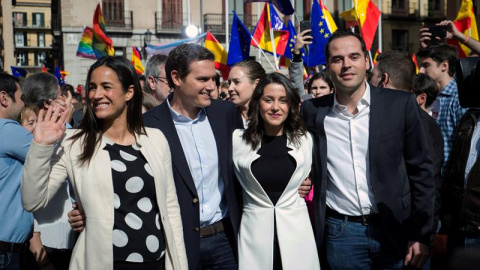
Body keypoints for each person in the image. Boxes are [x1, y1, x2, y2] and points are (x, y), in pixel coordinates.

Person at [21, 56, 188, 270]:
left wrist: (180, 265)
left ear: (129, 92)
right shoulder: (75, 143)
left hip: (157, 262)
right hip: (104, 263)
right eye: (92, 87)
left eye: (106, 87)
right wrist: (41, 144)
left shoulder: (155, 139)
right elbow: (32, 201)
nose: (96, 95)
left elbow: (170, 208)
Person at [301, 31, 434, 269]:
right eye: (337, 59)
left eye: (354, 56)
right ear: (328, 66)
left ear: (367, 61)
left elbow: (422, 171)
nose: (346, 65)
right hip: (341, 235)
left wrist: (421, 233)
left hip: (397, 228)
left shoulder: (400, 104)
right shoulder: (312, 110)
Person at [233, 73, 320, 270]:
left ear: (291, 105)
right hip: (254, 241)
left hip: (298, 241)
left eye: (283, 100)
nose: (275, 107)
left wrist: (310, 180)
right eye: (268, 100)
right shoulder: (237, 141)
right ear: (258, 103)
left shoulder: (306, 141)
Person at [0, 73, 33, 270]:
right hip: (6, 253)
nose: (23, 105)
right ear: (4, 98)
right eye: (21, 98)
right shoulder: (7, 130)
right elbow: (53, 156)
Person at [417, 44, 467, 171]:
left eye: (426, 65)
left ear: (444, 66)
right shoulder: (430, 98)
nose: (421, 70)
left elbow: (465, 143)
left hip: (450, 179)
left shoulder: (459, 98)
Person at [228, 60, 266, 127]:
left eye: (236, 82)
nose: (230, 88)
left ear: (256, 84)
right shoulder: (226, 116)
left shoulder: (268, 117)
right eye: (229, 83)